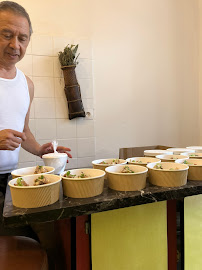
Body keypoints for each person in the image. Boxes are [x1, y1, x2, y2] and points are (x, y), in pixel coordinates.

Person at [0, 1, 72, 196]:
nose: (15, 45)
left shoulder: (27, 84)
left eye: (22, 38)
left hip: (10, 180)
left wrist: (40, 150)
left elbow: (24, 132)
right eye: (6, 35)